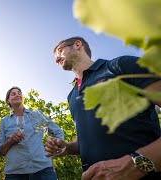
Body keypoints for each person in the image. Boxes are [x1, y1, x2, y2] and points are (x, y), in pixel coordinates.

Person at [45, 36, 161, 179]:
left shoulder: (120, 67)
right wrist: (68, 147)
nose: (56, 59)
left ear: (77, 45)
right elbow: (86, 140)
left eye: (60, 51)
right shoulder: (71, 96)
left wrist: (135, 164)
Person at [0, 86, 64, 180]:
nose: (17, 94)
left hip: (43, 171)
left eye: (19, 93)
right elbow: (0, 151)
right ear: (8, 101)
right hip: (15, 174)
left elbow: (57, 131)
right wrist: (11, 141)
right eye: (13, 93)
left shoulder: (36, 115)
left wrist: (53, 148)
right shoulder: (4, 121)